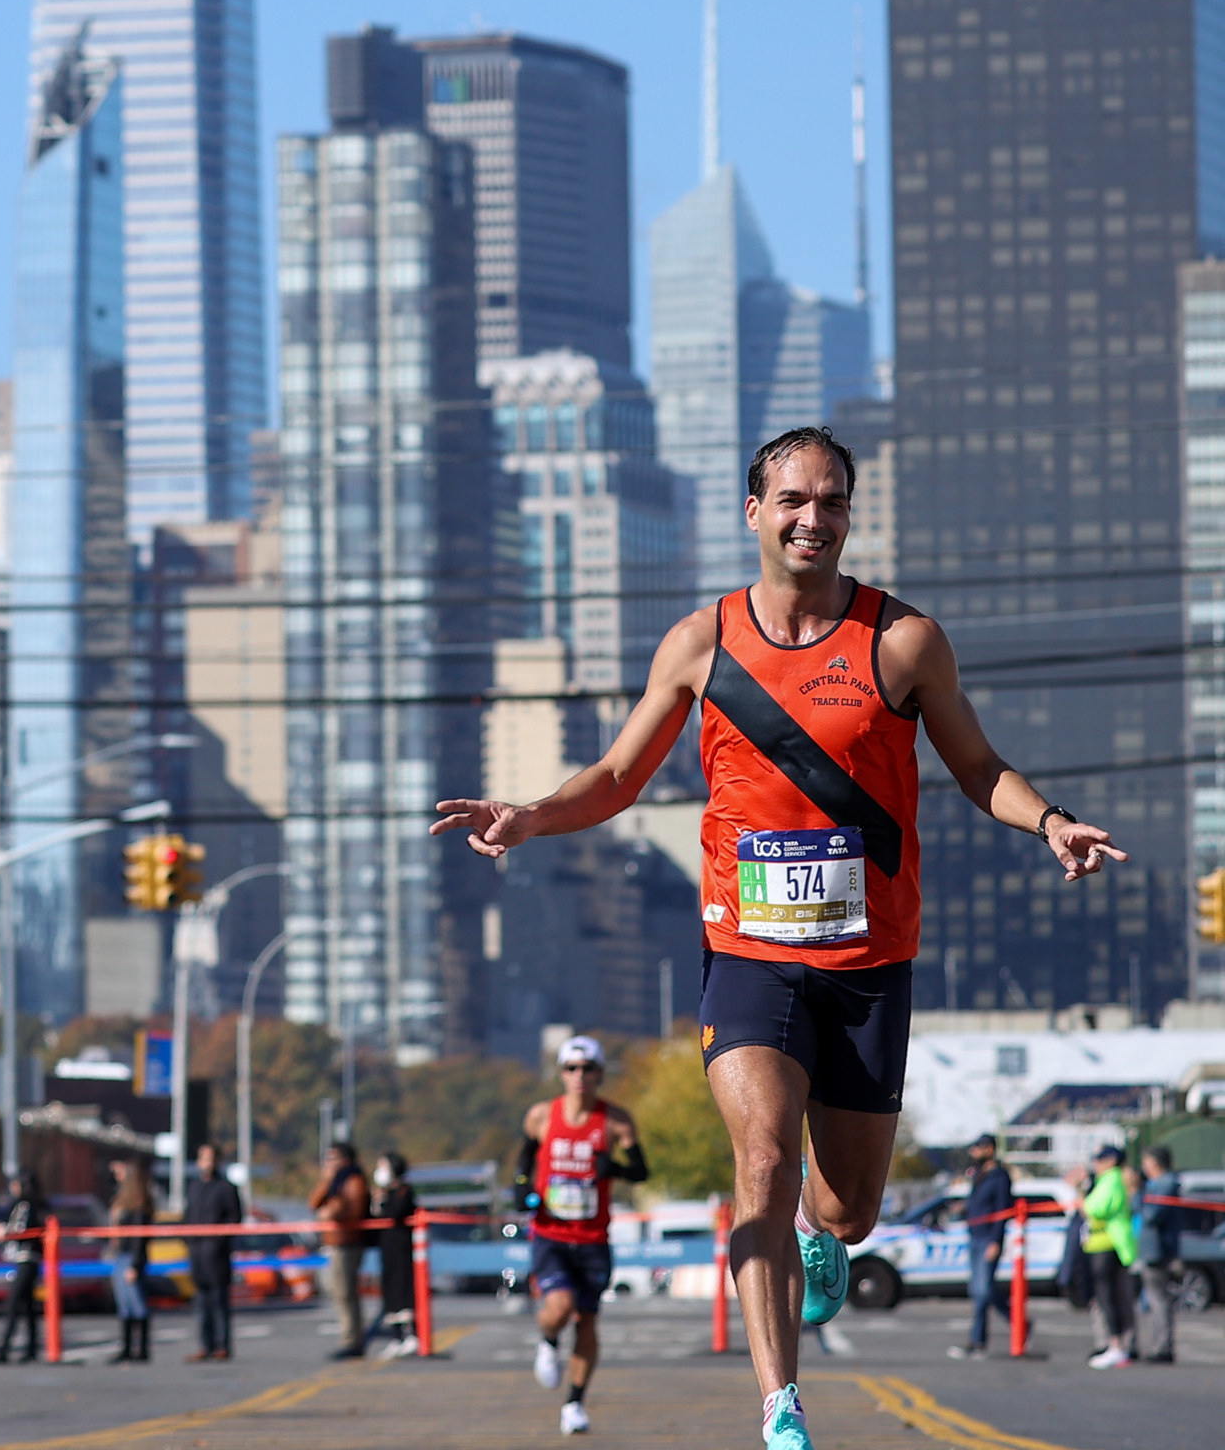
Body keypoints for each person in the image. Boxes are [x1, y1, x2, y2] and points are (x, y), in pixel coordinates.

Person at [432, 425, 1125, 1450]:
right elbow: (621, 774)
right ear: (753, 511)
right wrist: (530, 815)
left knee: (846, 1208)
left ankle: (819, 1236)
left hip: (868, 963)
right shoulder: (700, 642)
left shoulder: (904, 641)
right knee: (759, 1155)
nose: (814, 517)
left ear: (849, 515)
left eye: (833, 500)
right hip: (749, 954)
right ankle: (781, 1406)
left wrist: (1050, 818)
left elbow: (978, 764)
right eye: (794, 498)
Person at [518, 1038, 643, 1433]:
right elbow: (523, 1160)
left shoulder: (616, 1121)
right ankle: (548, 1340)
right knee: (559, 1307)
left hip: (593, 1238)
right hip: (551, 1234)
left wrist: (615, 1169)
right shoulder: (541, 1116)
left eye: (588, 1068)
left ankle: (574, 1404)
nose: (580, 1076)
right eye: (571, 1068)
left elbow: (641, 1171)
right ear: (561, 1074)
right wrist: (521, 1187)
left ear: (600, 1074)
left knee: (587, 1322)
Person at [950, 1135, 1014, 1360]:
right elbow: (979, 1204)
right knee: (981, 1290)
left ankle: (978, 1342)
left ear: (990, 1149)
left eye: (978, 1148)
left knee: (982, 1291)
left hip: (988, 1238)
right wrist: (964, 1209)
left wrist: (996, 1241)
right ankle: (1020, 1323)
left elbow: (1001, 1212)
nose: (974, 1152)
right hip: (975, 1236)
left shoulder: (1000, 1177)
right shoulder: (978, 1174)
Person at [309, 1144, 373, 1361]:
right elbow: (314, 1203)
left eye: (332, 1158)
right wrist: (326, 1181)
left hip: (348, 1243)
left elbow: (354, 1211)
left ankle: (352, 1340)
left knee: (346, 1292)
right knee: (336, 1291)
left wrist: (333, 1211)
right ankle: (349, 1336)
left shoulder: (353, 1181)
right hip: (334, 1242)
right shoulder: (335, 1182)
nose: (328, 1163)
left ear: (344, 1160)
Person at [181, 1143, 242, 1363]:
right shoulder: (194, 1187)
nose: (205, 1163)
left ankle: (222, 1345)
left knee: (219, 1302)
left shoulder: (226, 1188)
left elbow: (234, 1219)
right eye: (202, 1158)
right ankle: (204, 1345)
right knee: (201, 1303)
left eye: (209, 1158)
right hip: (197, 1254)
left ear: (217, 1161)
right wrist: (188, 1242)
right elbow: (187, 1218)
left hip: (217, 1255)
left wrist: (218, 1242)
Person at [1080, 1145, 1139, 1368]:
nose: (1095, 1163)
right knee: (1108, 1296)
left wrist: (1082, 1201)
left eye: (1099, 1159)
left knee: (1109, 1296)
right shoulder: (1109, 1180)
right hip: (1100, 1245)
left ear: (1111, 1160)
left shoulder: (1112, 1180)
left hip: (1108, 1245)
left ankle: (1117, 1346)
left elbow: (1096, 1208)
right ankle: (1116, 1346)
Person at [0, 1171, 48, 1366]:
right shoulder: (37, 1203)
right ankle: (32, 1347)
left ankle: (4, 1349)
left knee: (14, 1303)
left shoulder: (24, 1204)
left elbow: (20, 1230)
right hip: (30, 1257)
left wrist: (3, 1231)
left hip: (26, 1257)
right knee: (28, 1305)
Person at [1133, 1145, 1185, 1365]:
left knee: (1158, 1300)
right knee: (1153, 1300)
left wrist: (1137, 1192)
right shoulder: (1157, 1185)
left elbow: (1151, 1214)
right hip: (1150, 1249)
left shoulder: (1165, 1184)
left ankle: (1162, 1346)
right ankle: (1158, 1344)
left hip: (1157, 1250)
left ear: (1155, 1162)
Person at [368, 1151, 419, 1356]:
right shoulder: (383, 1193)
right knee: (390, 1290)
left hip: (402, 1248)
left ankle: (411, 1335)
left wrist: (385, 1201)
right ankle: (396, 1336)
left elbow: (397, 1212)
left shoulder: (404, 1191)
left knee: (404, 1288)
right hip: (387, 1248)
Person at [105, 1160, 154, 1365]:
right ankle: (126, 1347)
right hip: (121, 1255)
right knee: (124, 1304)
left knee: (136, 1302)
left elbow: (138, 1238)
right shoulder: (123, 1198)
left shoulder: (138, 1204)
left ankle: (141, 1348)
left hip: (131, 1258)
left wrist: (134, 1264)